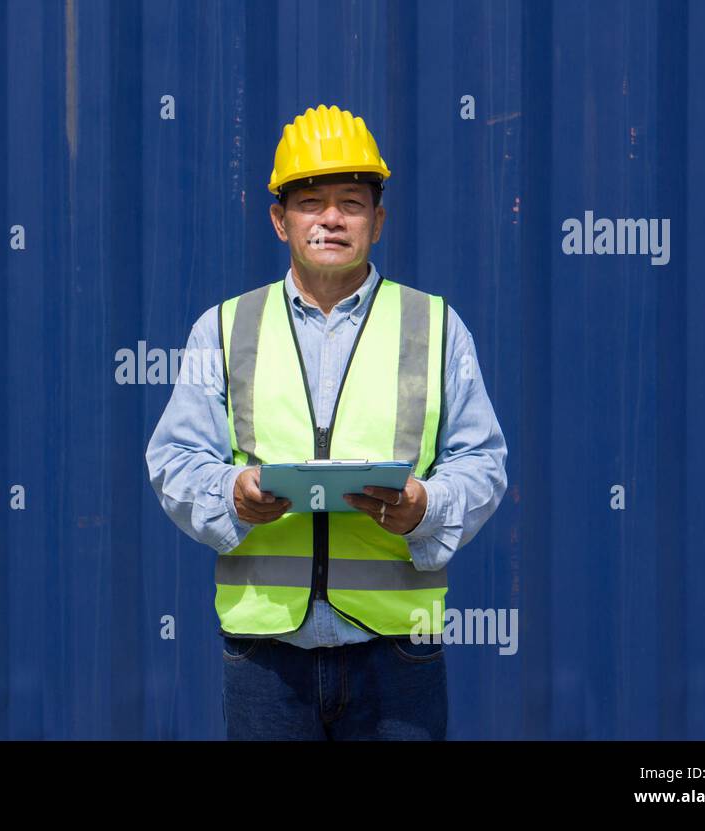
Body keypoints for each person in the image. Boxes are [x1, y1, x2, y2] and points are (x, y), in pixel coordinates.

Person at [145, 104, 508, 740]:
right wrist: (232, 493)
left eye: (351, 201)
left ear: (379, 219)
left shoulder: (436, 326)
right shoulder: (224, 328)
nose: (332, 218)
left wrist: (426, 505)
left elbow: (481, 463)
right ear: (279, 220)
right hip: (265, 655)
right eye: (311, 201)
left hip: (398, 652)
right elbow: (175, 459)